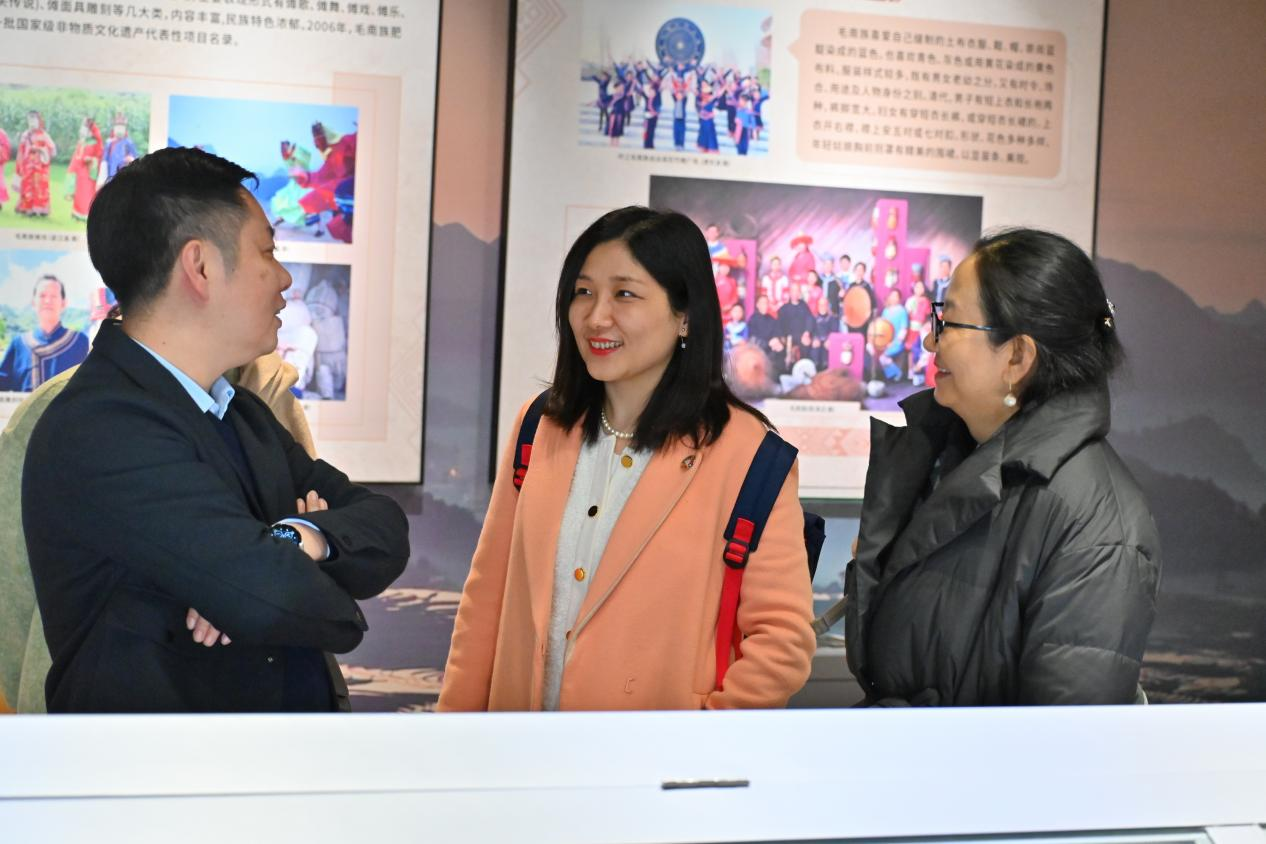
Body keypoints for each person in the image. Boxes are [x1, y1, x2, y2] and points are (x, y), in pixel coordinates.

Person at [21, 147, 410, 713]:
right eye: (267, 252)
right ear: (200, 267)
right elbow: (274, 597)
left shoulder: (242, 412)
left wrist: (294, 537)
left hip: (274, 754)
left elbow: (384, 526)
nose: (283, 278)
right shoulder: (100, 427)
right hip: (165, 763)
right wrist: (259, 580)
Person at [438, 206, 815, 711]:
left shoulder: (749, 454)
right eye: (583, 291)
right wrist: (455, 731)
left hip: (655, 754)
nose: (596, 316)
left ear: (685, 315)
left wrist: (697, 739)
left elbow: (781, 641)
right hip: (524, 748)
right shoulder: (540, 424)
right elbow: (486, 600)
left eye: (625, 294)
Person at [845, 228, 1161, 706]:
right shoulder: (948, 456)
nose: (931, 341)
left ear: (1017, 356)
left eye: (949, 322)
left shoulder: (1098, 528)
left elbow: (1063, 739)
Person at [0, 276, 90, 392]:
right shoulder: (18, 344)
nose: (47, 301)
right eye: (42, 296)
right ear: (33, 303)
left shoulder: (80, 342)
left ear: (63, 303)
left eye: (53, 296)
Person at [15, 111, 56, 217]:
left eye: (34, 120)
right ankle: (26, 208)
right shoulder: (25, 135)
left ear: (39, 121)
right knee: (27, 186)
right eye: (30, 120)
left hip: (40, 168)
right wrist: (20, 165)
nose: (32, 122)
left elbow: (52, 150)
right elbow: (21, 151)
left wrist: (40, 149)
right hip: (27, 166)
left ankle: (40, 210)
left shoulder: (44, 135)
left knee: (39, 188)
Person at [66, 117, 103, 221]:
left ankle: (87, 214)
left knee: (87, 193)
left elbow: (99, 156)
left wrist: (91, 160)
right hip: (79, 172)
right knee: (79, 194)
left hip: (89, 172)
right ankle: (77, 213)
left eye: (85, 128)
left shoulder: (96, 143)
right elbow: (76, 157)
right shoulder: (81, 142)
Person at [102, 111, 138, 182]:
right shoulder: (109, 143)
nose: (119, 127)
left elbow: (135, 159)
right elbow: (104, 162)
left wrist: (131, 159)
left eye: (121, 125)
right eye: (117, 125)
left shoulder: (128, 142)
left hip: (124, 176)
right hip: (111, 176)